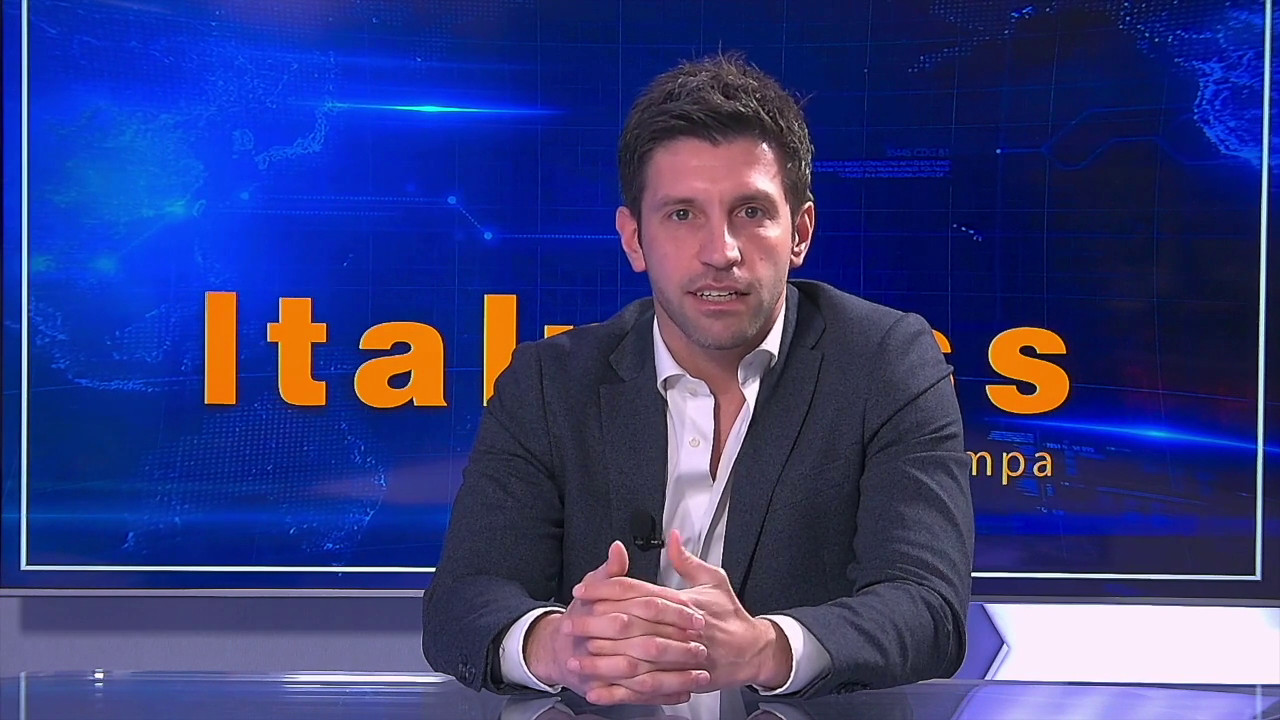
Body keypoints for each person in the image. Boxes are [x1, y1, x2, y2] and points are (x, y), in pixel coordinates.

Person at [422, 53, 974, 706]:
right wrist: (558, 644)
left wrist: (767, 647)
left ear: (800, 232)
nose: (721, 252)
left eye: (751, 212)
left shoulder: (887, 362)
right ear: (634, 239)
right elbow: (462, 601)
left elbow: (927, 606)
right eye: (682, 214)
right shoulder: (549, 383)